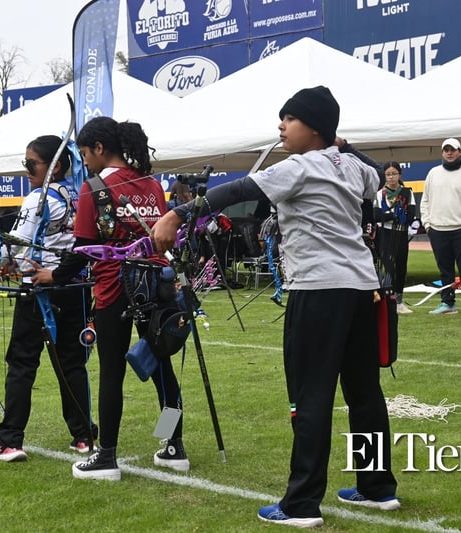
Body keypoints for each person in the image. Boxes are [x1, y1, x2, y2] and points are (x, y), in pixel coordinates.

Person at [153, 86, 399, 527]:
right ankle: (377, 487)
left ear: (315, 126)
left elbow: (238, 190)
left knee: (311, 395)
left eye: (290, 119)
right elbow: (379, 172)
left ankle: (301, 503)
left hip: (320, 291)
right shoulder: (353, 169)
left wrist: (177, 214)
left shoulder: (299, 167)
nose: (281, 126)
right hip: (364, 290)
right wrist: (345, 145)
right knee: (364, 393)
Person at [33, 116, 189, 481]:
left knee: (112, 374)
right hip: (156, 286)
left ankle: (107, 457)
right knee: (161, 367)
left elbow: (84, 248)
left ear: (100, 148)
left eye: (86, 153)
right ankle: (172, 445)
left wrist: (53, 275)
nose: (85, 160)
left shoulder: (95, 187)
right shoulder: (151, 184)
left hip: (115, 288)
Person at [0, 134, 98, 460]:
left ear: (54, 166)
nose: (27, 170)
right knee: (71, 363)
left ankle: (10, 441)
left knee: (22, 364)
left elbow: (10, 246)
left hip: (40, 292)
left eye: (32, 164)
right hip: (72, 289)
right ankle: (84, 436)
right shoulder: (79, 194)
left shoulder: (38, 198)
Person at [420, 138, 461, 316]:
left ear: (460, 152)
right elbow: (425, 200)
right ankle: (447, 303)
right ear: (442, 152)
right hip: (438, 229)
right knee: (444, 269)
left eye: (453, 150)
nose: (449, 153)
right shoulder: (433, 173)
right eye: (446, 150)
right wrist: (428, 224)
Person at [374, 162, 416, 314]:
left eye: (394, 174)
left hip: (401, 233)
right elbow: (377, 215)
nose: (391, 177)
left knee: (401, 266)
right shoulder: (380, 194)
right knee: (388, 266)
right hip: (385, 233)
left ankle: (399, 300)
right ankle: (388, 299)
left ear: (399, 175)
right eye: (388, 174)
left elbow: (410, 215)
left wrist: (391, 217)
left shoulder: (406, 193)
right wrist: (394, 215)